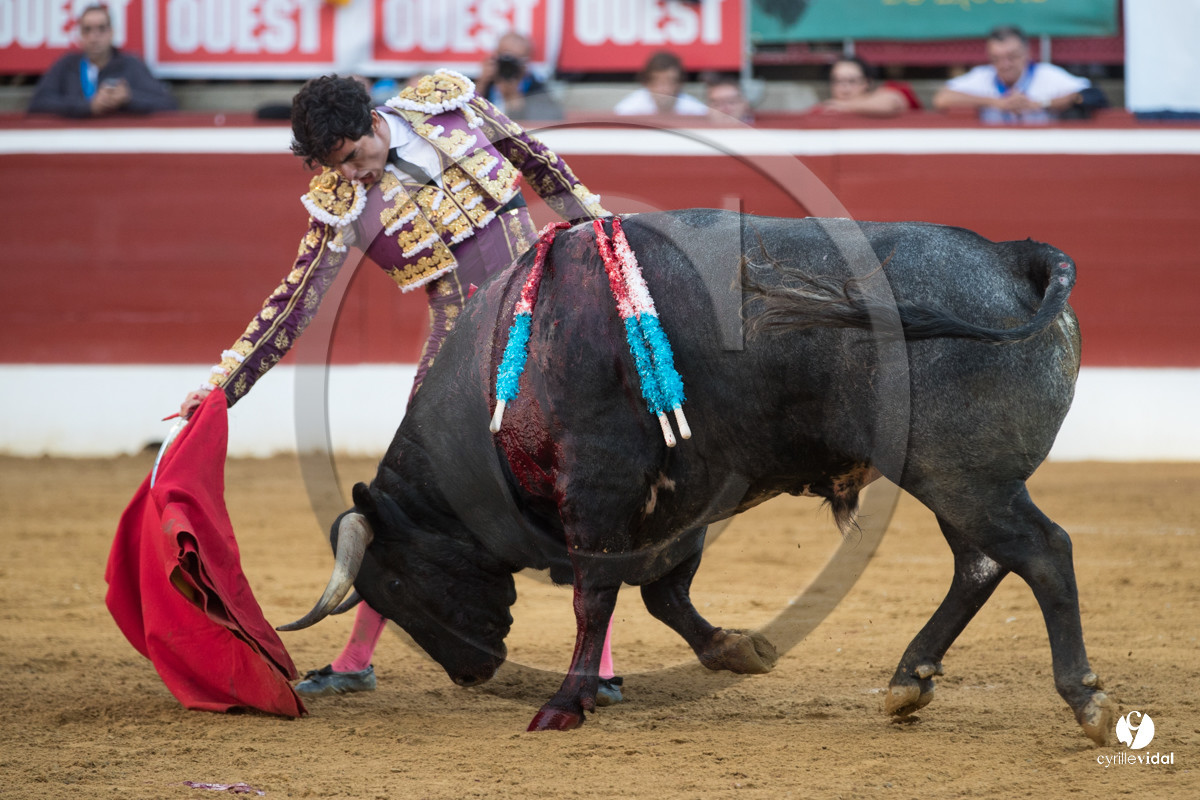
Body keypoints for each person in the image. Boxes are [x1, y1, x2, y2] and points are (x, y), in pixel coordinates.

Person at [175, 72, 624, 703]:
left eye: (356, 157)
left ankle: (598, 666)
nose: (354, 175)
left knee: (582, 480)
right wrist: (223, 387)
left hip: (546, 317)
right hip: (455, 355)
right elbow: (296, 301)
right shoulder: (338, 200)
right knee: (405, 506)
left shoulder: (450, 107)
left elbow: (545, 169)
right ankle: (356, 656)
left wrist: (610, 244)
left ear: (373, 121)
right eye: (338, 166)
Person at [28, 4, 176, 118]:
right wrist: (87, 106)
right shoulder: (66, 65)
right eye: (87, 30)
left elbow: (168, 104)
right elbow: (38, 103)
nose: (94, 37)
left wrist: (129, 98)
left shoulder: (131, 65)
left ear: (111, 33)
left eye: (101, 29)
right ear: (80, 35)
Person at [932, 26, 1091, 124]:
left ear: (1027, 53)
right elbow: (942, 98)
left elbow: (1092, 94)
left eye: (1012, 57)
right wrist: (995, 102)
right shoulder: (983, 76)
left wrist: (1041, 104)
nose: (1005, 65)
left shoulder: (1047, 74)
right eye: (997, 59)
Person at [476, 32, 563, 121]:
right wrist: (482, 84)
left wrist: (514, 98)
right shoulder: (485, 83)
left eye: (516, 61)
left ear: (527, 63)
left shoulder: (536, 89)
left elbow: (549, 119)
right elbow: (466, 114)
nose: (509, 66)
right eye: (506, 59)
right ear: (495, 56)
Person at [812, 56, 920, 118]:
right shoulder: (824, 109)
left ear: (867, 82)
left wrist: (844, 106)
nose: (844, 87)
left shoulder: (887, 92)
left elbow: (891, 102)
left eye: (852, 81)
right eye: (838, 81)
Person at [614, 51, 708, 117]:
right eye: (657, 82)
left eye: (670, 81)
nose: (664, 89)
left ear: (679, 83)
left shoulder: (695, 111)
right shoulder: (629, 110)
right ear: (647, 83)